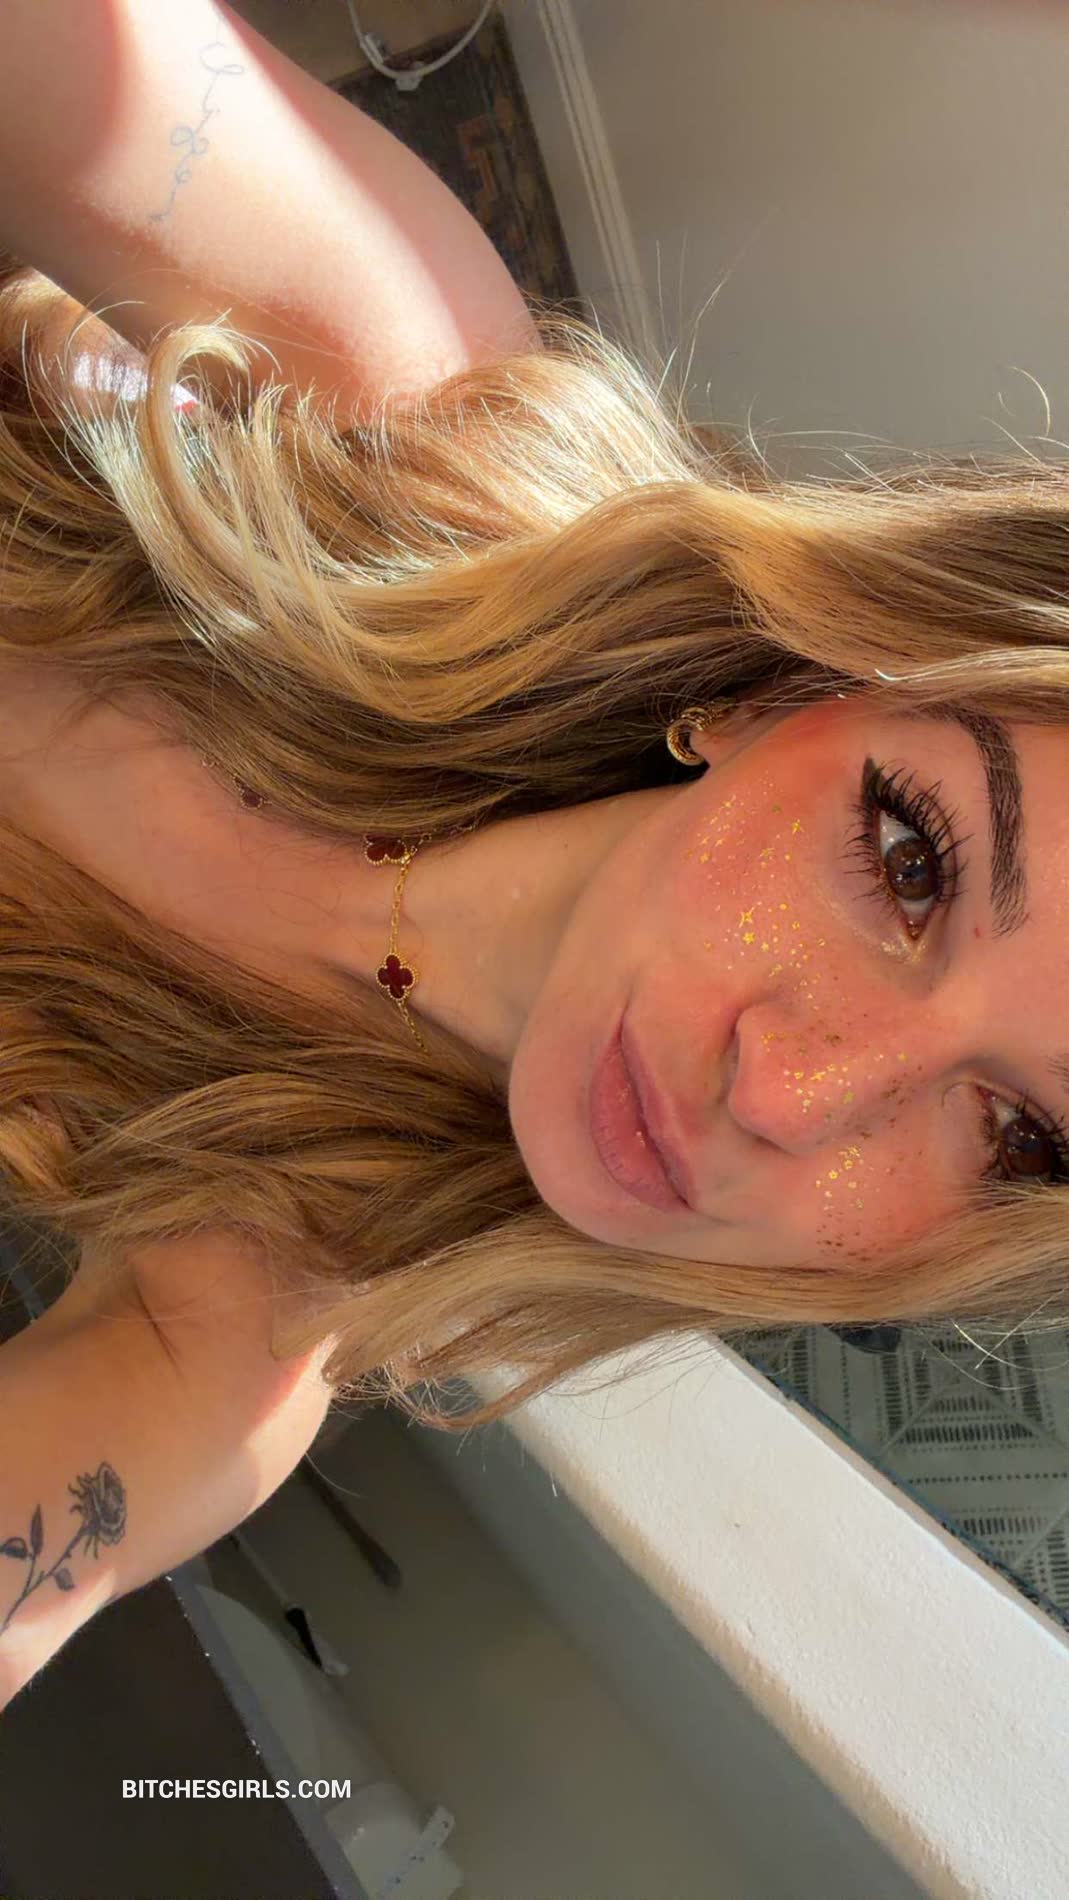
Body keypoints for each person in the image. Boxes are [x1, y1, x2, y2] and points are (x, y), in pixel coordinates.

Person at [1, 0, 1065, 1707]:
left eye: (1014, 1136)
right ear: (794, 685)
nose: (790, 1096)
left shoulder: (225, 1334)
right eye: (908, 861)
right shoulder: (402, 380)